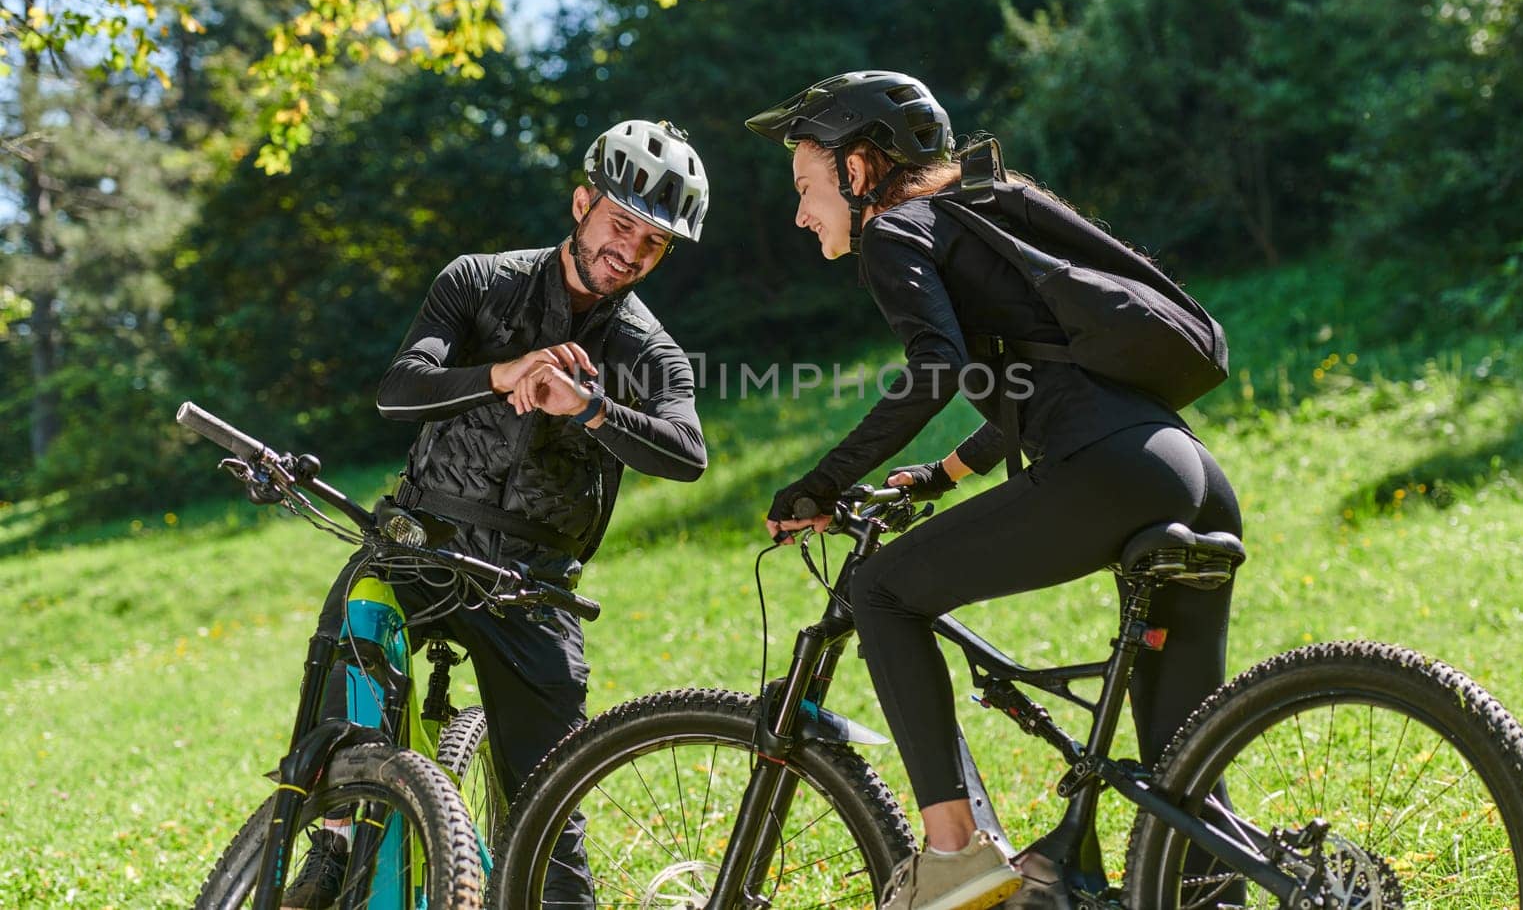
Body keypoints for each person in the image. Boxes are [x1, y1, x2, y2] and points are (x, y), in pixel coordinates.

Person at [748, 72, 1243, 910]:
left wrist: (820, 482)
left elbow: (937, 370)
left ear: (859, 169)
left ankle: (953, 854)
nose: (801, 213)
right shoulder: (978, 211)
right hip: (1187, 472)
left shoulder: (894, 233)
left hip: (1105, 469)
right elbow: (1038, 375)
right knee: (1182, 777)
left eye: (806, 187)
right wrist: (942, 474)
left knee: (879, 589)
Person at [284, 119, 710, 909]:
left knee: (552, 824)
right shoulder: (479, 281)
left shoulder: (651, 349)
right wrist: (500, 372)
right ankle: (335, 837)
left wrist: (591, 410)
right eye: (621, 223)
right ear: (582, 203)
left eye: (653, 243)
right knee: (356, 622)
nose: (632, 251)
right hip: (424, 547)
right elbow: (397, 388)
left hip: (534, 585)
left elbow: (688, 452)